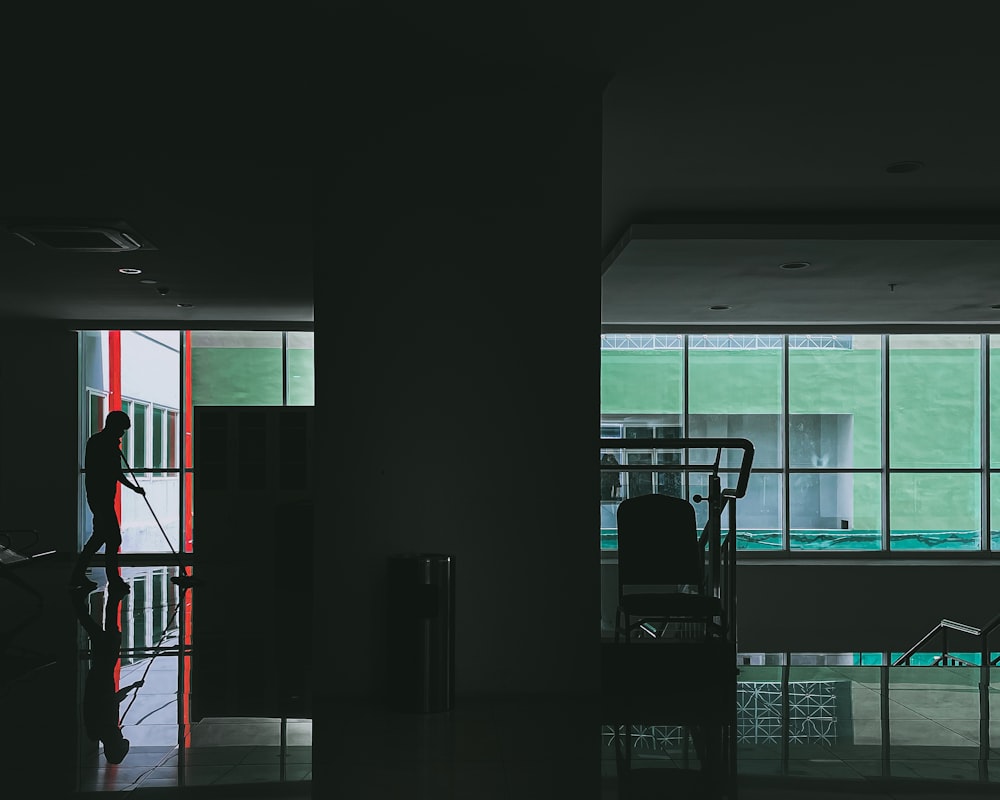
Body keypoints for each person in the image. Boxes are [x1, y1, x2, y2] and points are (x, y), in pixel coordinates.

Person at [69, 410, 145, 592]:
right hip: (101, 498)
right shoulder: (104, 444)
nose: (123, 433)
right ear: (114, 426)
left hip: (99, 497)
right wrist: (134, 488)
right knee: (112, 538)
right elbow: (114, 473)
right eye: (122, 429)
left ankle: (79, 575)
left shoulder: (98, 442)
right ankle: (111, 579)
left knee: (101, 536)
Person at [70, 580, 143, 763]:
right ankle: (87, 599)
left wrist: (131, 688)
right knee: (99, 632)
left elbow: (111, 700)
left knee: (109, 633)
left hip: (102, 675)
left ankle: (111, 596)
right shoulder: (97, 732)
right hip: (98, 677)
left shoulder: (107, 729)